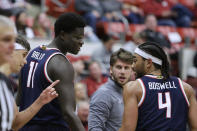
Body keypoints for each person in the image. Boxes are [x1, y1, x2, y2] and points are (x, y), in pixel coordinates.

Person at [17, 12, 86, 131]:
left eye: (82, 38)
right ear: (63, 35)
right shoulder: (61, 63)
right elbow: (68, 113)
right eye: (77, 37)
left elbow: (19, 99)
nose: (81, 42)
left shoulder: (32, 53)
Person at [119, 42, 197, 131]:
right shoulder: (186, 88)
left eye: (135, 61)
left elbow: (128, 128)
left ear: (148, 62)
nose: (132, 66)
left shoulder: (133, 88)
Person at [0, 15, 59, 131]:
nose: (25, 61)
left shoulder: (5, 80)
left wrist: (40, 100)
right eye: (23, 55)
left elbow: (15, 123)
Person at [88, 48, 134, 131]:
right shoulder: (102, 94)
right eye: (119, 67)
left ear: (132, 71)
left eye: (126, 68)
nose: (122, 72)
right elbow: (95, 129)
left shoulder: (132, 92)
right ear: (111, 69)